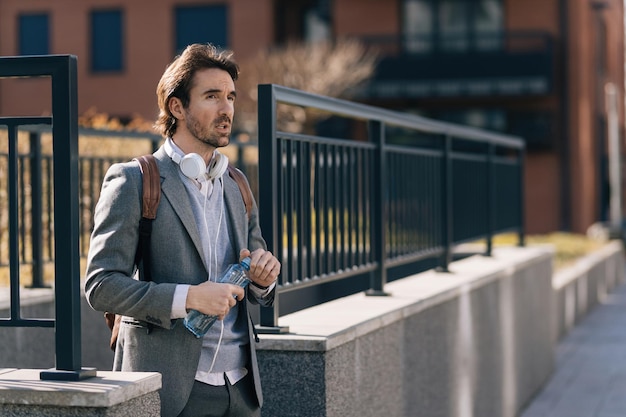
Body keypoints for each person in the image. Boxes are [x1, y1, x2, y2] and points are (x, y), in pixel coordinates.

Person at [85, 43, 281, 417]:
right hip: (172, 391)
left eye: (230, 97)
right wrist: (189, 297)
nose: (227, 109)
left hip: (241, 388)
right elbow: (100, 286)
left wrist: (263, 277)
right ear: (177, 107)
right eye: (212, 96)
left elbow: (259, 286)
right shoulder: (133, 181)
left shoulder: (236, 183)